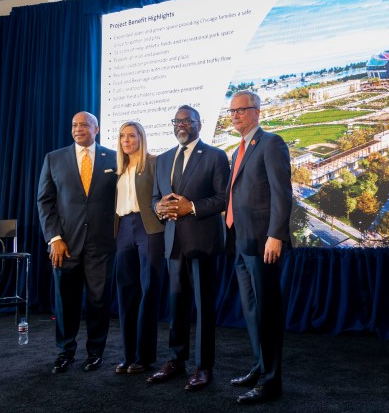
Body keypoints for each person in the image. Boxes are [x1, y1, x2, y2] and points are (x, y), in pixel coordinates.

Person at [149, 105, 229, 391]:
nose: (181, 125)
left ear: (199, 124)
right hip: (173, 244)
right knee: (176, 305)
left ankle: (204, 366)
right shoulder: (163, 159)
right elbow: (156, 198)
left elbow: (223, 199)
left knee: (204, 308)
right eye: (177, 121)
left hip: (203, 243)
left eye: (187, 121)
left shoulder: (215, 156)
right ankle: (176, 360)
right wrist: (158, 207)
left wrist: (191, 207)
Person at [225, 91, 293, 404]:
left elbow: (281, 193)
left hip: (264, 243)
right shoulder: (239, 149)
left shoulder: (271, 143)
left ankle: (271, 382)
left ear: (257, 112)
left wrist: (276, 234)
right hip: (241, 242)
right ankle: (259, 366)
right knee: (252, 312)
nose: (235, 115)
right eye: (232, 111)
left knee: (267, 313)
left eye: (241, 110)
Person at [37, 111, 117, 374]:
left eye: (84, 125)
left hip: (101, 245)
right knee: (65, 301)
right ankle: (65, 352)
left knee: (98, 301)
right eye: (74, 125)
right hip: (65, 245)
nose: (78, 129)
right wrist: (54, 238)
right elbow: (45, 201)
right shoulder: (54, 158)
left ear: (96, 129)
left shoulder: (114, 158)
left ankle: (95, 353)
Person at [114, 121, 165, 374]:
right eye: (122, 136)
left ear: (141, 138)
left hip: (150, 230)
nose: (126, 140)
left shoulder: (154, 163)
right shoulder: (117, 170)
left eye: (131, 135)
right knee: (126, 292)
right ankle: (128, 355)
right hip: (123, 229)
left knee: (148, 290)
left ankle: (144, 357)